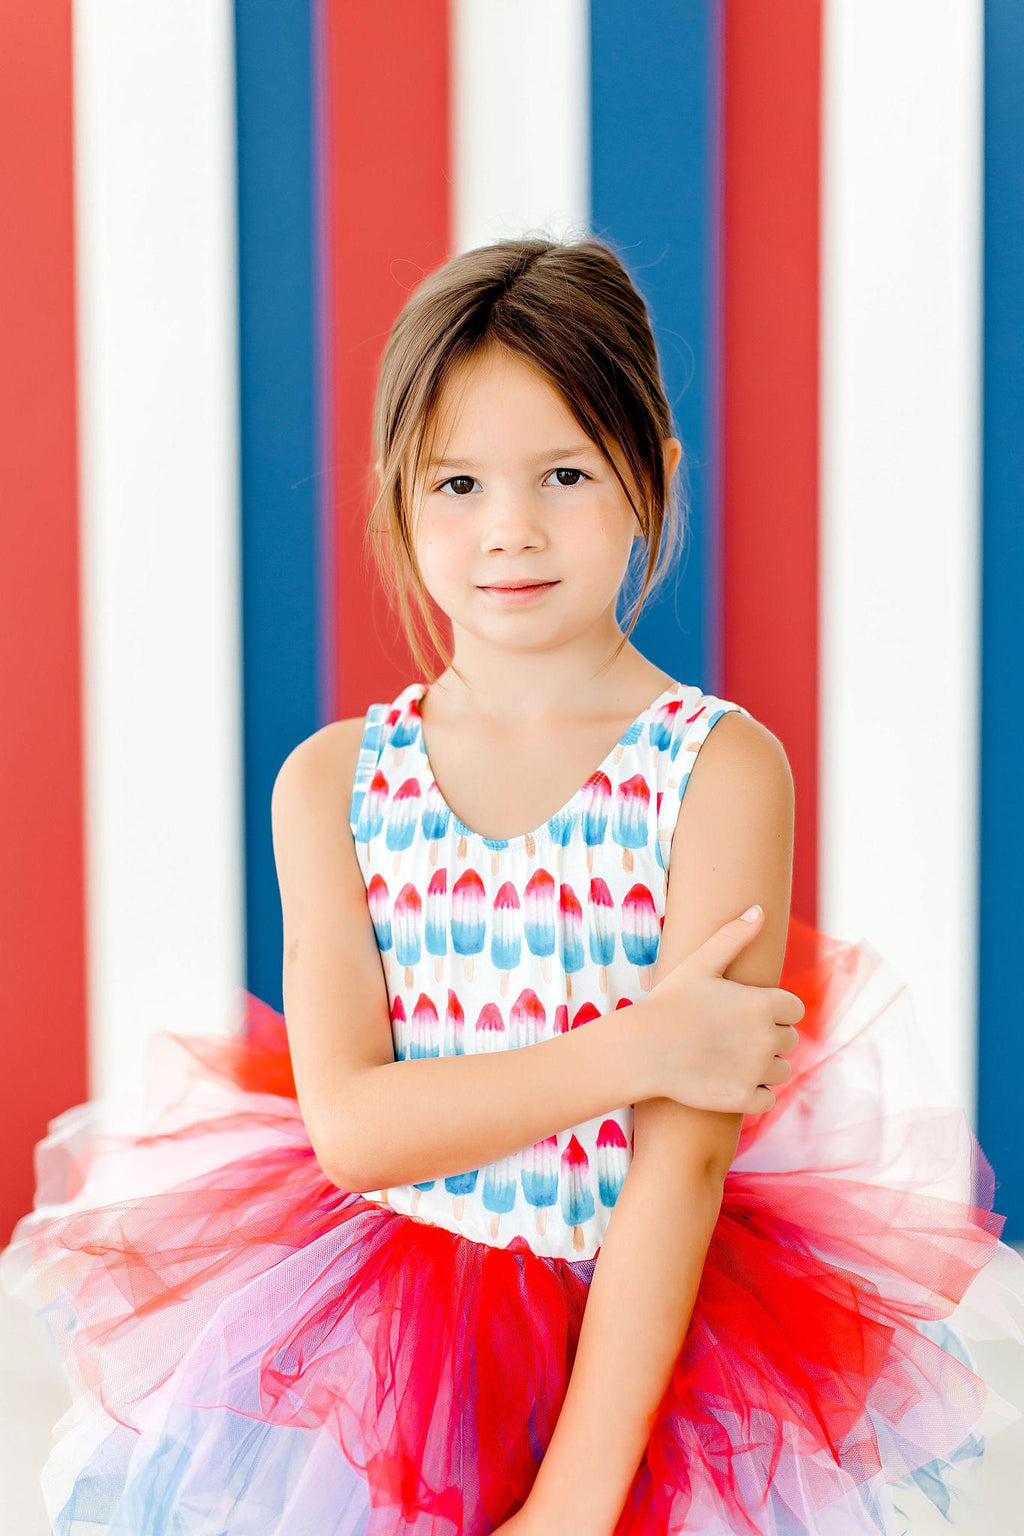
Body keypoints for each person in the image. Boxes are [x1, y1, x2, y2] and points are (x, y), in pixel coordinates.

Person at [3, 237, 1023, 1536]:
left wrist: (575, 1501)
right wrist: (643, 1045)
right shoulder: (334, 786)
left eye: (564, 474)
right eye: (460, 483)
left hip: (644, 1338)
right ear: (397, 500)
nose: (511, 529)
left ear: (649, 479)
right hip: (381, 1344)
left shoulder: (715, 770)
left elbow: (682, 1160)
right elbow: (361, 1131)